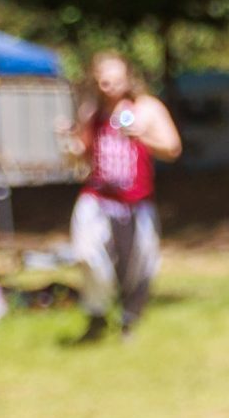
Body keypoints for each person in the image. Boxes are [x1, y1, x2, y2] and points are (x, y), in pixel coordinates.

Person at [63, 52, 179, 345]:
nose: (109, 86)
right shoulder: (92, 111)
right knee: (87, 254)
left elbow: (172, 148)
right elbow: (81, 153)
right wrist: (69, 143)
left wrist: (141, 136)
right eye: (103, 81)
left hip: (136, 201)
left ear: (128, 77)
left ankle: (129, 320)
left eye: (114, 79)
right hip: (97, 197)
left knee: (139, 264)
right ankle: (97, 312)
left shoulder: (146, 108)